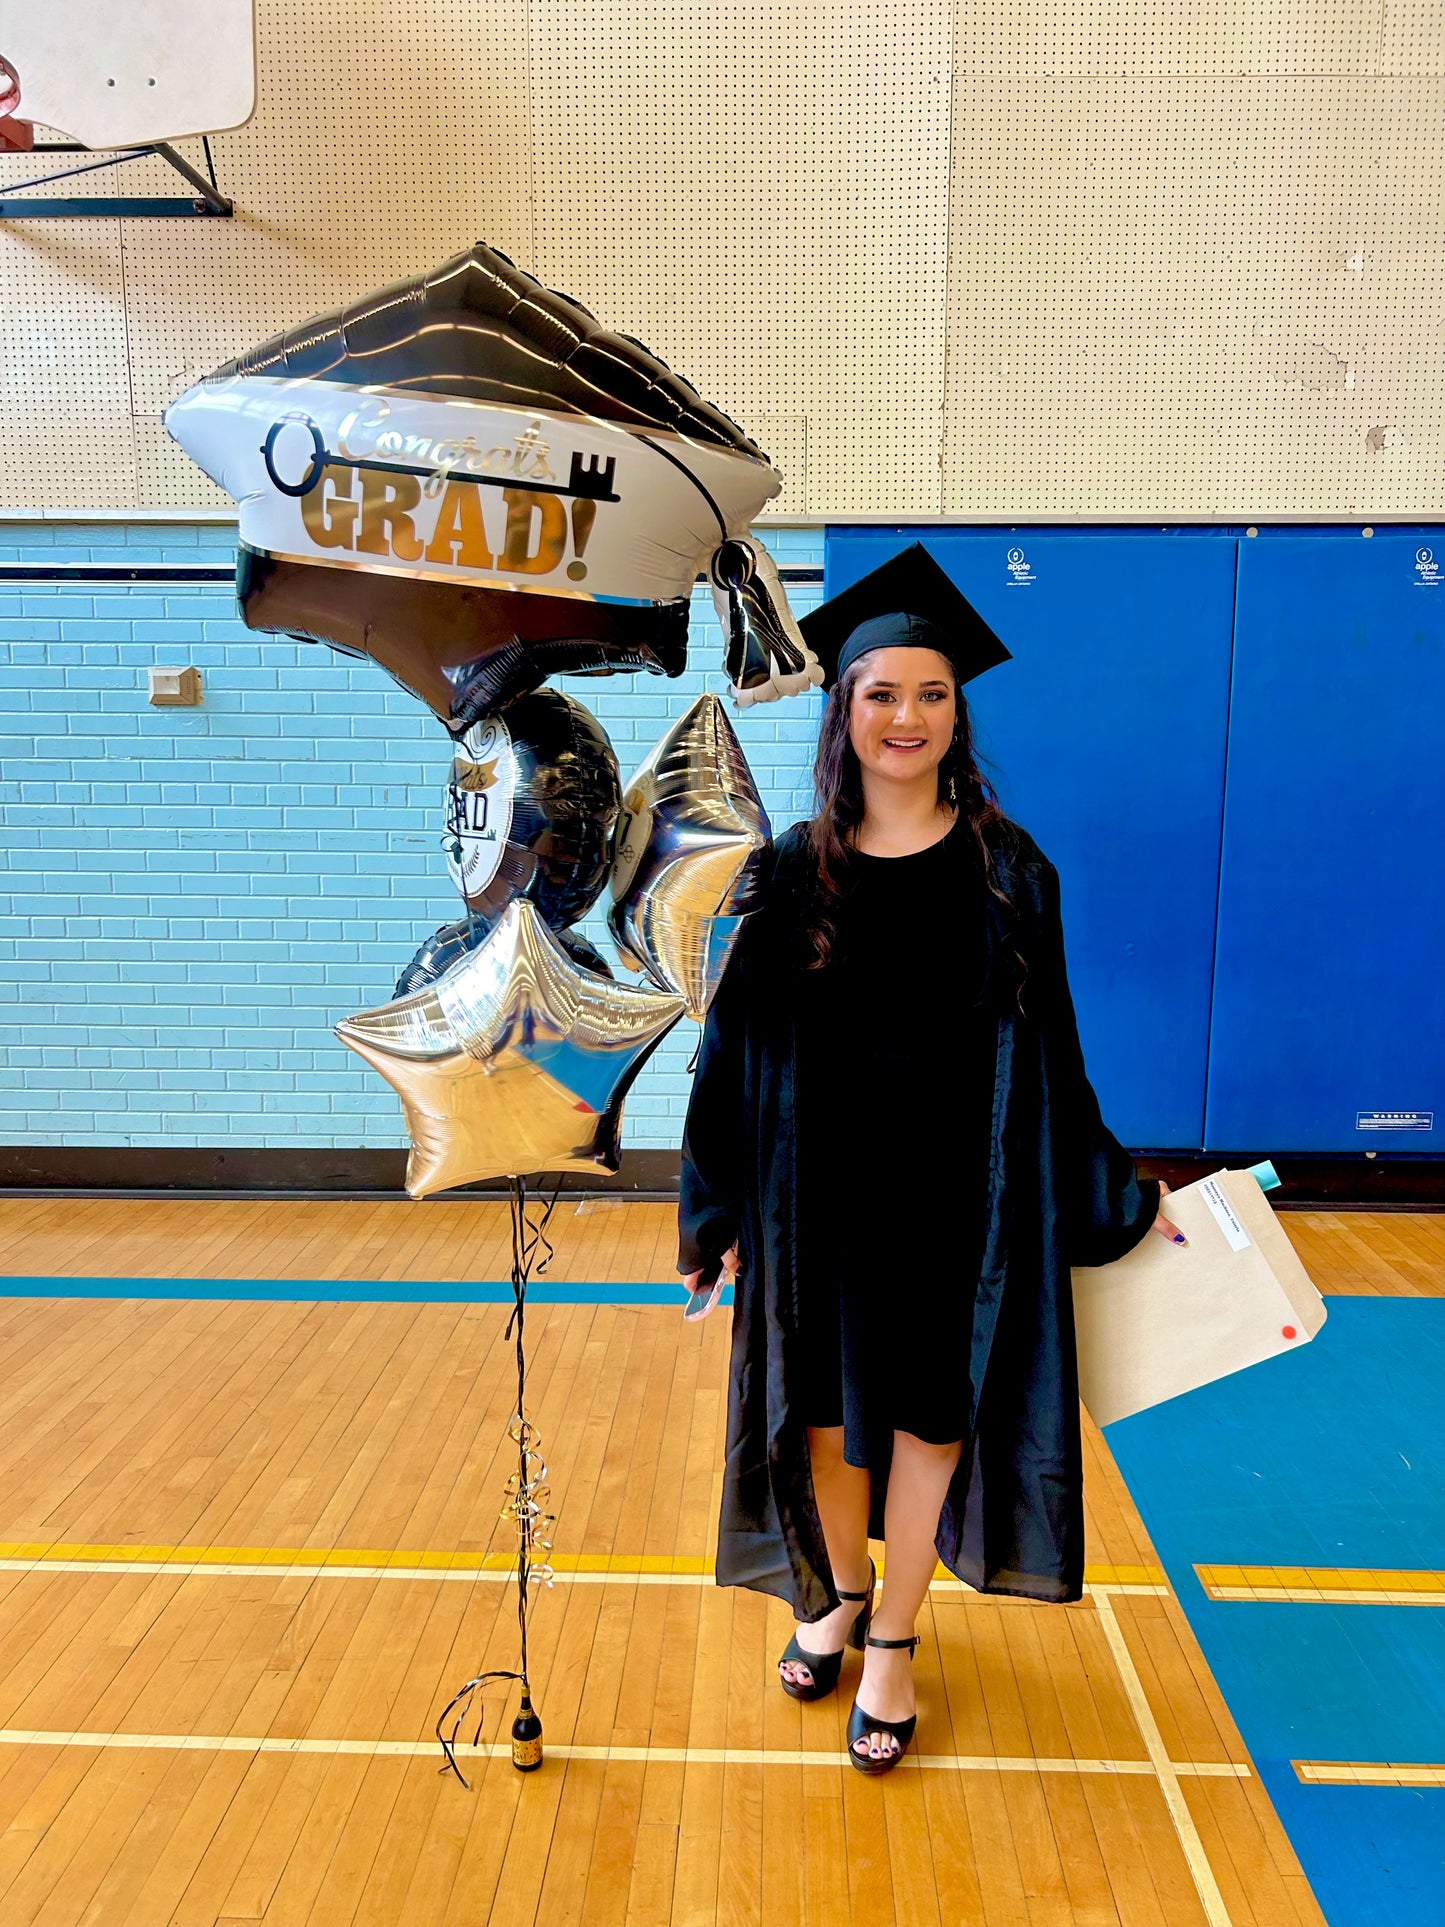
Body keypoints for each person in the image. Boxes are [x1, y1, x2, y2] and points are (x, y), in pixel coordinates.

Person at [677, 543, 1185, 1774]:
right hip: (818, 1209)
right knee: (817, 1423)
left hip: (961, 1208)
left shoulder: (1012, 874)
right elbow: (732, 1057)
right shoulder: (788, 874)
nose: (905, 718)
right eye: (879, 693)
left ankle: (892, 1640)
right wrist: (718, 1212)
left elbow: (1055, 1055)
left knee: (927, 1424)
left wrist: (1120, 1197)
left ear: (958, 714)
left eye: (930, 694)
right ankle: (835, 1597)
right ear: (842, 711)